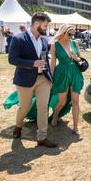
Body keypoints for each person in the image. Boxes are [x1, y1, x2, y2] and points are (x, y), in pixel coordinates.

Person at [6, 13, 56, 148]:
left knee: (43, 108)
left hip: (43, 79)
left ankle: (42, 137)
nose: (47, 28)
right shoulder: (18, 38)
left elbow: (44, 58)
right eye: (45, 25)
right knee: (25, 107)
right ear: (36, 24)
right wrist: (32, 63)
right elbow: (12, 59)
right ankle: (18, 126)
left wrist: (49, 76)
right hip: (25, 80)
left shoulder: (45, 40)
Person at [50, 25, 85, 135]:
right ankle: (55, 115)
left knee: (76, 101)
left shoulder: (75, 43)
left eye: (72, 34)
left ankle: (75, 126)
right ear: (63, 33)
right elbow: (52, 64)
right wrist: (51, 78)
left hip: (75, 73)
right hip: (62, 74)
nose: (71, 36)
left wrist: (77, 58)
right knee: (62, 101)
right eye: (69, 34)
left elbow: (81, 60)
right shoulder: (54, 45)